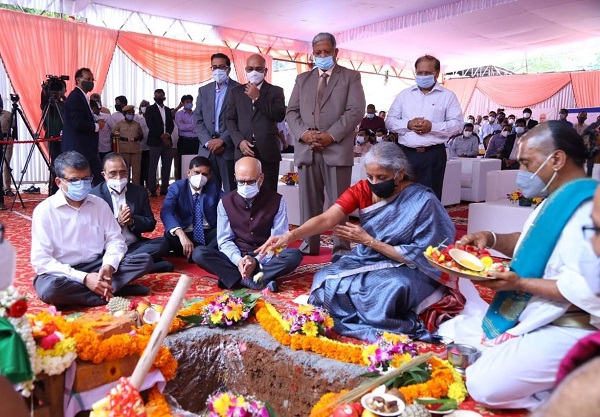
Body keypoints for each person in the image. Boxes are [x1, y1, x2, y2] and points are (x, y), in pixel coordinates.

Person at [448, 122, 599, 410]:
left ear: (556, 159)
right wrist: (489, 238)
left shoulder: (590, 208)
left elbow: (587, 290)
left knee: (483, 385)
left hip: (574, 325)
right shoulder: (557, 199)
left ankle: (570, 388)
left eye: (527, 163)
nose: (523, 172)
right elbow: (529, 243)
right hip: (538, 311)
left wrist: (518, 284)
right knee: (459, 335)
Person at [258, 142, 461, 340]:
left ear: (399, 173)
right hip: (368, 258)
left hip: (409, 265)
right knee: (325, 278)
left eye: (381, 177)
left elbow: (427, 254)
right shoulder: (363, 189)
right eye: (370, 176)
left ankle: (384, 319)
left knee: (392, 287)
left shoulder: (422, 200)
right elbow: (327, 218)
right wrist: (291, 236)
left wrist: (369, 240)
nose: (374, 183)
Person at [31, 151, 153, 308]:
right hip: (62, 271)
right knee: (50, 290)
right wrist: (84, 278)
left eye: (86, 179)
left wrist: (108, 265)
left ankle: (92, 291)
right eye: (74, 180)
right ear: (59, 182)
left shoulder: (99, 204)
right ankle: (112, 291)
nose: (81, 184)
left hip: (97, 264)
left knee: (143, 260)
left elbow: (115, 239)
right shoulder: (44, 211)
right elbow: (42, 261)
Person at [286, 32, 366, 260]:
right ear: (313, 54)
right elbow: (291, 111)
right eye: (318, 53)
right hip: (307, 149)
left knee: (340, 203)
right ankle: (308, 245)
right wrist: (304, 134)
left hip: (336, 149)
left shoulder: (351, 76)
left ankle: (341, 248)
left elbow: (355, 111)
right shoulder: (302, 79)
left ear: (335, 52)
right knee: (307, 202)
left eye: (327, 52)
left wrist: (331, 135)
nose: (322, 56)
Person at [193, 157, 302, 292]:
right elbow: (225, 240)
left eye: (250, 182)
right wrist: (239, 260)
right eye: (240, 181)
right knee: (199, 253)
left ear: (260, 179)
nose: (245, 186)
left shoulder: (276, 200)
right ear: (235, 178)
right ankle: (256, 281)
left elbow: (279, 239)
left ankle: (234, 277)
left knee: (294, 255)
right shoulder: (225, 202)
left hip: (265, 256)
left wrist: (256, 260)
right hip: (237, 255)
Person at [386, 54, 463, 200]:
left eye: (427, 73)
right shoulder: (404, 95)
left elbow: (458, 125)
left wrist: (432, 127)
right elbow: (389, 122)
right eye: (419, 73)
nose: (423, 76)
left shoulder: (448, 96)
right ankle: (407, 223)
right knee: (403, 197)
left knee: (430, 198)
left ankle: (430, 223)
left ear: (437, 73)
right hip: (406, 154)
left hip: (433, 155)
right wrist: (408, 124)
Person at [90, 153, 172, 273]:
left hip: (134, 245)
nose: (119, 177)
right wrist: (118, 223)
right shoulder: (94, 195)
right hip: (108, 248)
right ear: (104, 175)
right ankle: (140, 264)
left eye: (123, 172)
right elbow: (92, 233)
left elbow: (150, 223)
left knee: (164, 243)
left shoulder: (139, 192)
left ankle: (123, 265)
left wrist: (132, 221)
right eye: (113, 173)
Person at [226, 54, 286, 191]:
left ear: (265, 71)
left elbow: (279, 115)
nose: (254, 72)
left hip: (268, 151)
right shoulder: (236, 92)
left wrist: (258, 98)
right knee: (244, 193)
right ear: (246, 70)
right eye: (250, 68)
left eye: (259, 69)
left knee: (269, 193)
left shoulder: (276, 91)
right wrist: (239, 141)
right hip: (244, 150)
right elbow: (230, 119)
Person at [194, 53, 240, 193]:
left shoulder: (239, 89)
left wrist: (222, 140)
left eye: (221, 67)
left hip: (227, 149)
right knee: (207, 192)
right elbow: (197, 119)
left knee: (230, 192)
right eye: (214, 67)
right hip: (207, 150)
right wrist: (208, 142)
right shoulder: (204, 90)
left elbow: (239, 120)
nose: (218, 70)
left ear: (228, 69)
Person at [160, 156, 222, 258]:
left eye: (204, 174)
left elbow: (227, 203)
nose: (200, 176)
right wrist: (181, 234)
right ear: (189, 172)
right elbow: (166, 212)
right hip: (184, 232)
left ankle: (198, 253)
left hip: (208, 233)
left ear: (209, 176)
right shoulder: (177, 187)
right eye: (197, 172)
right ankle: (205, 253)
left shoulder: (213, 187)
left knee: (226, 233)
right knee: (168, 237)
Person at [61, 67, 105, 186]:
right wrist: (96, 126)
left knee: (94, 181)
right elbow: (78, 123)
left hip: (86, 149)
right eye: (87, 79)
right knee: (90, 182)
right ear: (78, 80)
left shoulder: (82, 96)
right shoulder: (76, 97)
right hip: (79, 149)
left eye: (92, 79)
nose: (90, 82)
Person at [146, 89, 174, 196]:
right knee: (153, 166)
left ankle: (164, 188)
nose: (158, 98)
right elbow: (150, 125)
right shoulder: (150, 109)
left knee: (167, 165)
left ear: (164, 97)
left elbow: (171, 125)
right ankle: (152, 189)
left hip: (167, 141)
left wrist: (167, 134)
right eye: (156, 96)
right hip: (155, 141)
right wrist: (161, 136)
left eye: (160, 96)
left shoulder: (167, 110)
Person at [41, 78, 66, 195]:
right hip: (52, 137)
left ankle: (65, 189)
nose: (56, 91)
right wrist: (45, 90)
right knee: (55, 165)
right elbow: (43, 103)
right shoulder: (47, 102)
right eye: (54, 89)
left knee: (66, 164)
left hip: (65, 138)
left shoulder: (66, 102)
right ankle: (54, 192)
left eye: (59, 88)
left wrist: (59, 100)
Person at [112, 105, 143, 185]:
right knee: (125, 170)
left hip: (135, 149)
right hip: (123, 149)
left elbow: (141, 136)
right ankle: (125, 187)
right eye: (129, 113)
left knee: (136, 171)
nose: (131, 114)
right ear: (125, 114)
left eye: (132, 113)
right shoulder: (119, 124)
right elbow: (112, 136)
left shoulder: (137, 124)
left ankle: (136, 189)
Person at [175, 94, 198, 173]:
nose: (189, 103)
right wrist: (193, 126)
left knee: (195, 163)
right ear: (183, 103)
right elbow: (181, 127)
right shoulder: (179, 114)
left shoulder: (196, 114)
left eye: (190, 102)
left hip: (195, 141)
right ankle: (182, 181)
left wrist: (186, 125)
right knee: (182, 163)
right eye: (187, 101)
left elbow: (198, 127)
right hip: (184, 141)